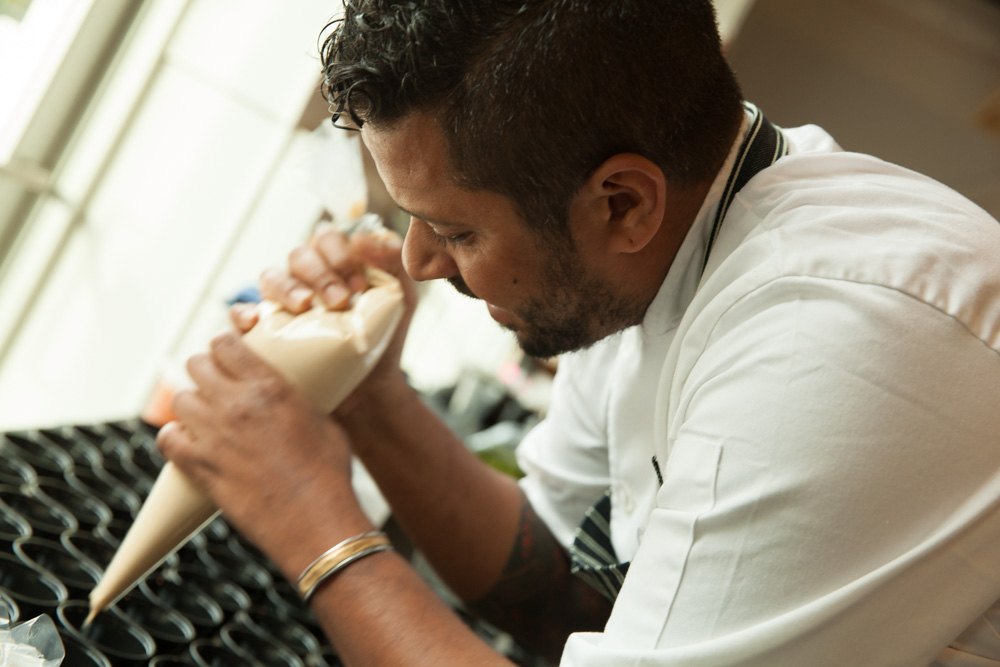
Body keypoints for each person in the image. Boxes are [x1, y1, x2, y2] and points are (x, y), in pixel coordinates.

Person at [156, 1, 1000, 665]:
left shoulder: (833, 344)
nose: (418, 262)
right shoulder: (668, 253)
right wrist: (368, 396)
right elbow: (558, 584)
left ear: (622, 203)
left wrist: (311, 519)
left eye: (454, 231)